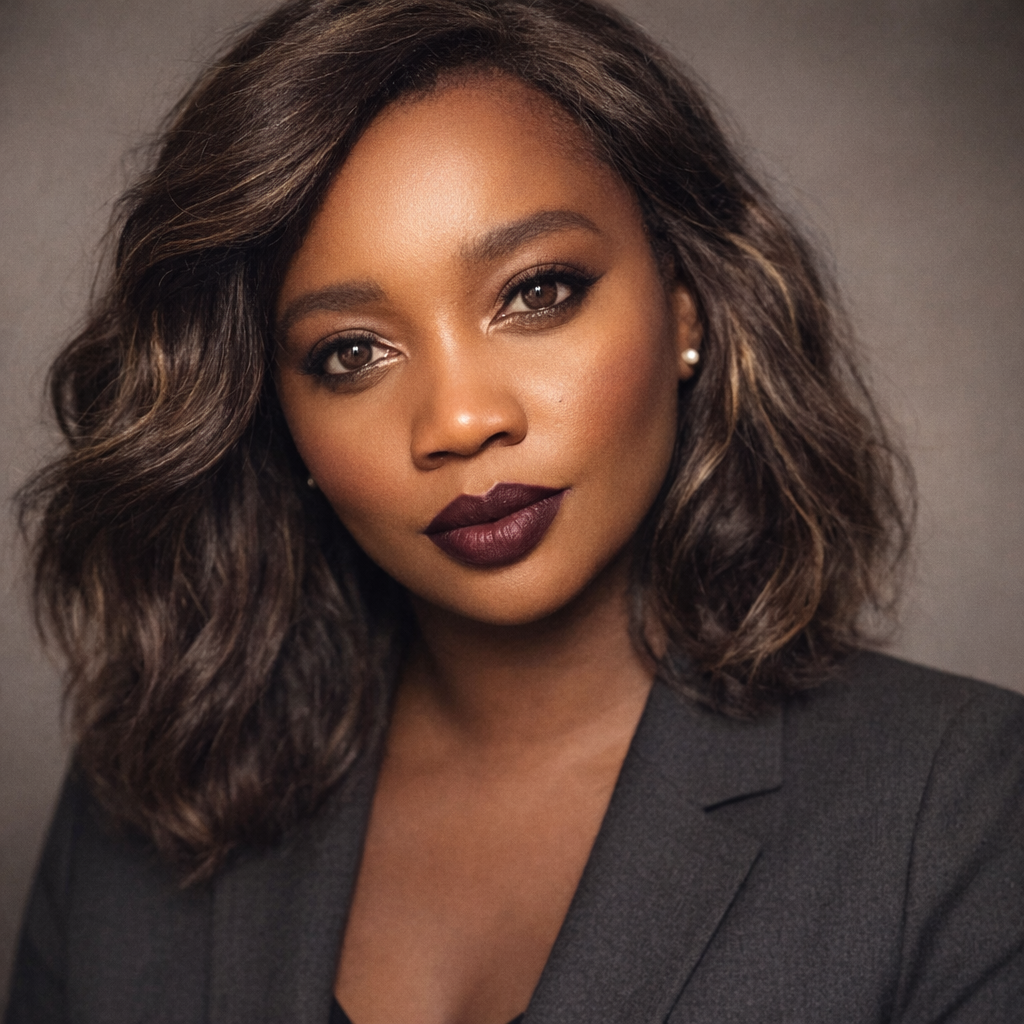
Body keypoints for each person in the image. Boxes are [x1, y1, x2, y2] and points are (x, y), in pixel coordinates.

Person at [5, 0, 1023, 1021]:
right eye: (350, 352)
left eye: (536, 292)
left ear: (687, 303)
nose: (459, 419)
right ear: (275, 416)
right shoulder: (142, 805)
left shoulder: (959, 806)